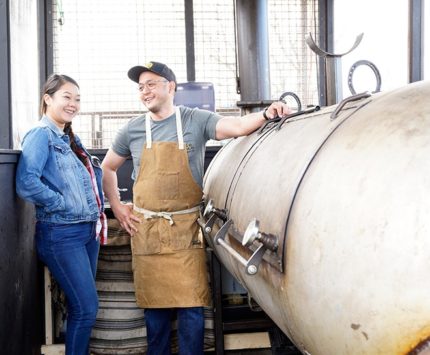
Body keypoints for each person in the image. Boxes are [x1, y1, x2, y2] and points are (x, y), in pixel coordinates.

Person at [101, 61, 291, 355]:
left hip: (186, 230)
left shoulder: (195, 120)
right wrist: (117, 206)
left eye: (151, 84)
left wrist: (267, 113)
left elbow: (238, 127)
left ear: (171, 87)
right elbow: (108, 168)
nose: (145, 91)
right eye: (141, 87)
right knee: (155, 313)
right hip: (147, 231)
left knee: (191, 309)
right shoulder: (132, 130)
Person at [16, 74, 107, 355]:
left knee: (80, 307)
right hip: (61, 233)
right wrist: (60, 202)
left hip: (86, 232)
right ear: (48, 99)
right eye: (66, 97)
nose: (73, 104)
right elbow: (26, 181)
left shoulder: (69, 137)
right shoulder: (40, 135)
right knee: (87, 308)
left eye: (77, 99)